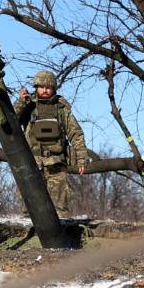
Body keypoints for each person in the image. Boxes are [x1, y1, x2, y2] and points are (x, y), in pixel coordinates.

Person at [13, 70, 88, 218]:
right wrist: (21, 102)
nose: (45, 90)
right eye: (41, 87)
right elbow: (11, 121)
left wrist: (82, 159)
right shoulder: (28, 106)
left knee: (61, 207)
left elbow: (76, 134)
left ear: (54, 88)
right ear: (36, 87)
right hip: (32, 162)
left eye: (48, 87)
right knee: (28, 205)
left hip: (56, 163)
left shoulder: (61, 109)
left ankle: (63, 236)